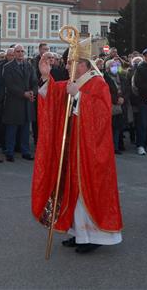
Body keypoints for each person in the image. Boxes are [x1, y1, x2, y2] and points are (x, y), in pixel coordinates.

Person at [33, 53, 123, 254]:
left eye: (70, 63)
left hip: (91, 150)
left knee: (86, 190)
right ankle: (78, 233)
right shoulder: (73, 82)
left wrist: (79, 96)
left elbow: (102, 113)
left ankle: (94, 236)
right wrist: (47, 76)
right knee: (71, 189)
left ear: (83, 65)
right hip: (73, 147)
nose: (66, 67)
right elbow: (52, 96)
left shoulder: (98, 83)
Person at [1, 44, 37, 162]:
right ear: (14, 53)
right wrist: (23, 94)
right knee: (12, 129)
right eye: (18, 51)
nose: (20, 53)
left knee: (26, 129)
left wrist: (32, 92)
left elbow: (34, 81)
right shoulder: (8, 67)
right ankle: (9, 152)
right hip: (14, 102)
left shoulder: (29, 65)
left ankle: (25, 151)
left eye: (22, 51)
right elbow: (9, 84)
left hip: (27, 103)